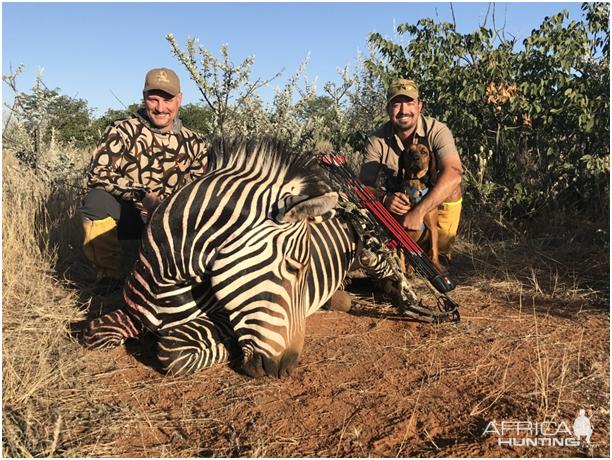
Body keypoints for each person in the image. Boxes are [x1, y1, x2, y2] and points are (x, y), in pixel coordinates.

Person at [79, 67, 209, 295]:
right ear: (144, 97)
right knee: (96, 202)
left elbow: (204, 188)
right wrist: (141, 195)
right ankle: (109, 276)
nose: (160, 108)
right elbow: (97, 174)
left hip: (171, 223)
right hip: (131, 216)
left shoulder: (194, 142)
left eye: (167, 100)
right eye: (154, 99)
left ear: (179, 100)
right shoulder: (122, 129)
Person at [358, 79, 463, 266]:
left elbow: (454, 173)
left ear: (419, 106)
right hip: (396, 202)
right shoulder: (377, 139)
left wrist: (420, 211)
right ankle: (391, 257)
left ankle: (441, 256)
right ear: (388, 109)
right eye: (396, 105)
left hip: (429, 197)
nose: (403, 110)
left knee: (454, 188)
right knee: (363, 203)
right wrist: (384, 198)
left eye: (409, 103)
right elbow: (363, 184)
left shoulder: (437, 130)